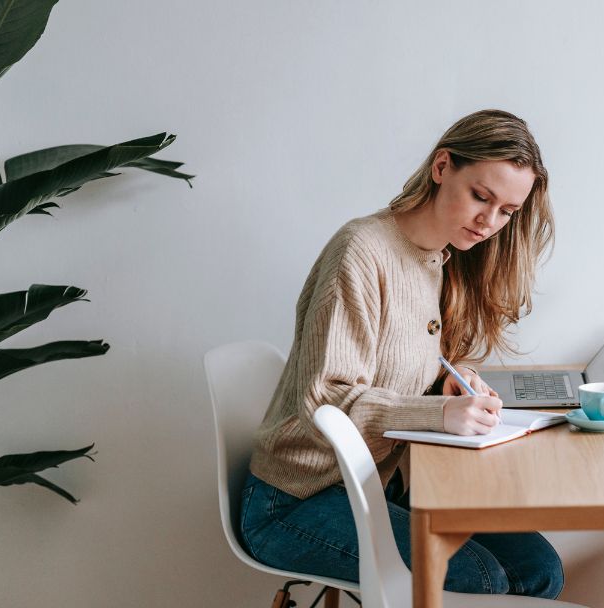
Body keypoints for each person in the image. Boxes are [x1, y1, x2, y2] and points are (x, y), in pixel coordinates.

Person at [240, 109, 562, 598]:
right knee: (478, 577)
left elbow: (398, 360)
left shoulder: (440, 258)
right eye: (481, 196)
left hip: (378, 485)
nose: (489, 222)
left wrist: (450, 381)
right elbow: (324, 400)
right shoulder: (361, 252)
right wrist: (438, 412)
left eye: (507, 211)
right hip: (296, 500)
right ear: (441, 167)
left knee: (539, 570)